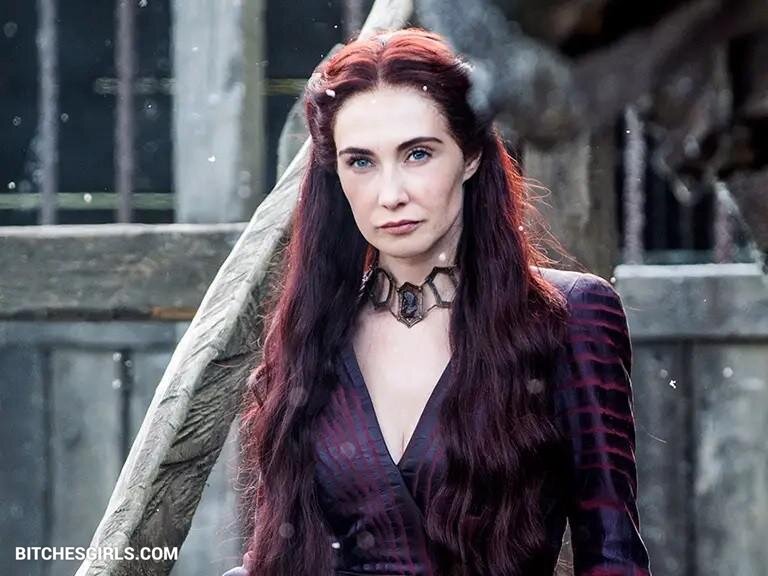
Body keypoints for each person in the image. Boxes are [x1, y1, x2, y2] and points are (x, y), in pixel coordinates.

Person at [223, 27, 653, 576]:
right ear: (336, 175)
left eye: (418, 154)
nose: (390, 194)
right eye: (361, 162)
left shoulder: (569, 316)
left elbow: (613, 556)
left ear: (470, 155)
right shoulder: (311, 336)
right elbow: (278, 551)